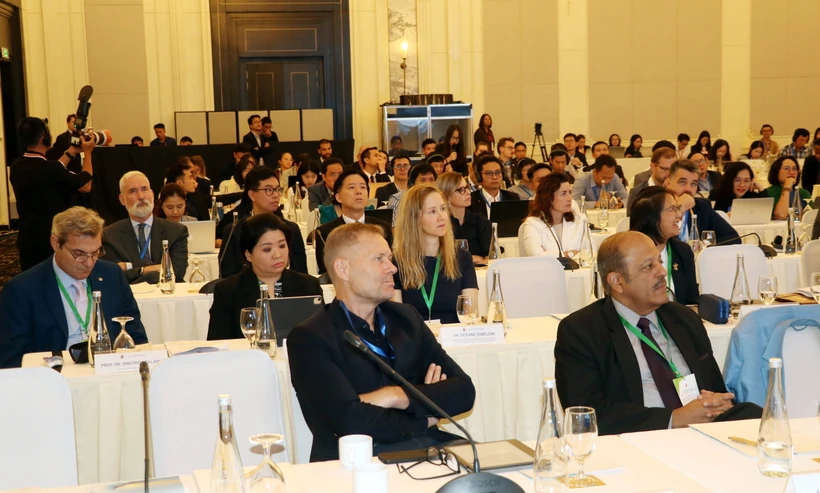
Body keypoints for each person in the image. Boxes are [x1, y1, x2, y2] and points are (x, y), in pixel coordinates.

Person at [288, 222, 476, 461]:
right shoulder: (310, 337)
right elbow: (349, 420)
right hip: (356, 460)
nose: (393, 268)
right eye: (379, 259)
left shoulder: (406, 317)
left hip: (428, 447)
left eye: (389, 258)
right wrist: (423, 412)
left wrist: (396, 395)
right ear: (343, 269)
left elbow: (464, 391)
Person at [554, 231, 761, 435]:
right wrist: (675, 419)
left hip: (705, 430)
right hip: (640, 439)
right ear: (617, 281)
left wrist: (717, 401)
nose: (662, 271)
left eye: (660, 261)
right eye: (648, 266)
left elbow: (714, 386)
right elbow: (586, 416)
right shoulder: (581, 331)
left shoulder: (683, 318)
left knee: (761, 417)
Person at [0, 207, 148, 368]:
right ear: (56, 243)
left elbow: (136, 336)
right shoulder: (22, 290)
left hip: (109, 373)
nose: (89, 262)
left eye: (96, 252)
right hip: (54, 379)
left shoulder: (112, 275)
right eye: (79, 254)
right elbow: (12, 360)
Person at [208, 213, 322, 341]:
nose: (277, 255)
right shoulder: (228, 291)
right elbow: (218, 344)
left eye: (282, 246)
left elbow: (322, 337)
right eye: (267, 249)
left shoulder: (309, 285)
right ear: (248, 255)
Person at [10, 117, 96, 270]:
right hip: (51, 240)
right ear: (45, 138)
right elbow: (85, 185)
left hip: (27, 238)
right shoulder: (51, 170)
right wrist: (88, 154)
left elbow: (53, 168)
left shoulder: (16, 167)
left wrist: (70, 152)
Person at [393, 186, 478, 323]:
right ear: (414, 218)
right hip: (416, 340)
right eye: (432, 211)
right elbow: (397, 321)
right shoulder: (397, 262)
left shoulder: (462, 257)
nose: (442, 217)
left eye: (443, 209)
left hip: (455, 338)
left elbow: (470, 314)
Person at [219, 166, 307, 277]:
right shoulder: (234, 230)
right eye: (269, 190)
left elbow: (301, 274)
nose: (275, 195)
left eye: (277, 189)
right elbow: (227, 277)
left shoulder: (291, 228)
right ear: (252, 194)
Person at [102, 171, 188, 284]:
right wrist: (144, 270)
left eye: (144, 189)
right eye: (133, 191)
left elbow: (177, 270)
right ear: (122, 199)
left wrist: (130, 266)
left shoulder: (176, 231)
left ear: (152, 194)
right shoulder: (110, 235)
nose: (141, 196)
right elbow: (113, 274)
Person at [314, 169, 393, 274]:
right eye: (351, 187)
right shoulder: (325, 232)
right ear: (338, 197)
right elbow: (327, 271)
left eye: (363, 187)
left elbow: (389, 263)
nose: (358, 191)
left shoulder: (382, 227)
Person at [630, 187, 699, 305]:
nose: (679, 215)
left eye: (677, 208)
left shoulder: (682, 251)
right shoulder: (627, 254)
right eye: (673, 209)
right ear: (653, 217)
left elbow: (691, 302)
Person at [664, 159, 739, 244]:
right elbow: (658, 240)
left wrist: (702, 245)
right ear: (667, 184)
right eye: (682, 182)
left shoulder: (702, 207)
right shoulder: (656, 206)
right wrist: (680, 208)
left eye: (693, 184)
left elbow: (733, 237)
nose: (688, 189)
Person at [519, 173, 590, 258]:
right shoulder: (533, 224)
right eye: (563, 193)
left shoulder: (580, 220)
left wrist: (548, 254)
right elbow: (536, 257)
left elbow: (589, 252)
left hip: (579, 271)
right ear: (548, 197)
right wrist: (569, 254)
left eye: (570, 192)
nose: (569, 198)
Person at [438, 171, 491, 263]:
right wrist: (472, 258)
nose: (468, 192)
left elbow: (490, 256)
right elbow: (441, 256)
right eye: (461, 190)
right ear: (446, 195)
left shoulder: (479, 220)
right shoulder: (440, 222)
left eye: (467, 187)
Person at [468, 154, 520, 219]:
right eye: (489, 173)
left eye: (498, 173)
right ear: (479, 177)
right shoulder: (470, 200)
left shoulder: (512, 198)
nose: (494, 177)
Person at [627, 148, 676, 215]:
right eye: (664, 169)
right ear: (652, 167)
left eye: (672, 169)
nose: (669, 173)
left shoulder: (676, 191)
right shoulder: (637, 192)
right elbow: (631, 222)